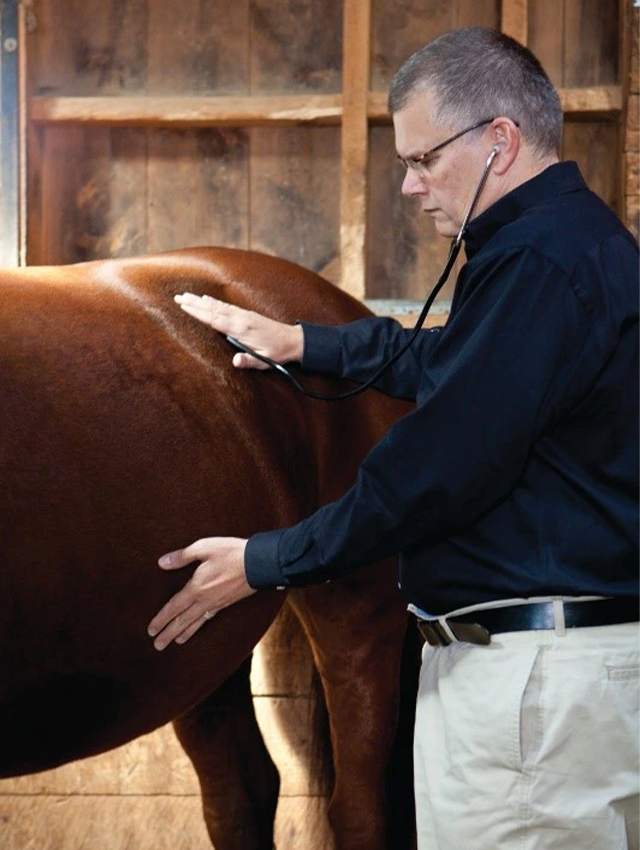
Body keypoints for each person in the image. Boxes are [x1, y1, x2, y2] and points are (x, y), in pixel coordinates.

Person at [147, 26, 639, 850]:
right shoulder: (571, 246)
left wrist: (264, 562)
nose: (409, 186)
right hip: (554, 679)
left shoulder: (539, 267)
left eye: (422, 160)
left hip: (531, 691)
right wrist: (309, 343)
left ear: (500, 141)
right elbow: (457, 362)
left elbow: (430, 475)